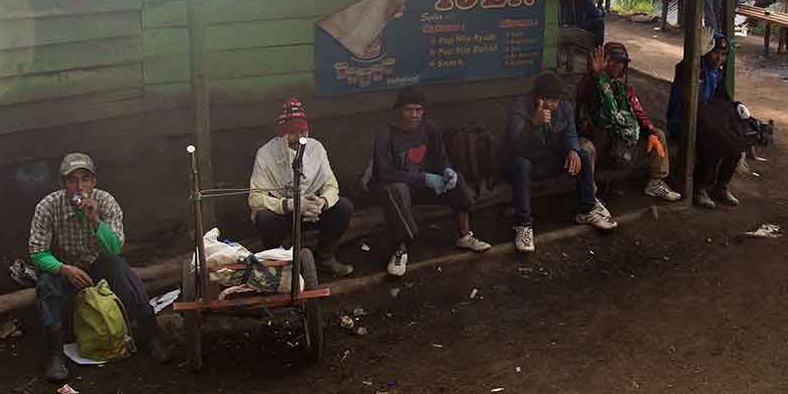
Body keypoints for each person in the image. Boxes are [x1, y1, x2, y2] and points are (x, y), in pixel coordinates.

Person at [28, 152, 170, 384]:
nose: (79, 187)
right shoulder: (48, 206)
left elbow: (115, 248)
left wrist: (95, 221)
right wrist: (65, 269)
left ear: (94, 181)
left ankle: (152, 335)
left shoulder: (105, 202)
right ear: (63, 184)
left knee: (120, 268)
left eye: (85, 179)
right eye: (72, 181)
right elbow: (37, 253)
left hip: (96, 262)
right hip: (64, 265)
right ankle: (55, 354)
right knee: (46, 284)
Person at [370, 87, 491, 277]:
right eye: (409, 109)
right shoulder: (385, 133)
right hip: (394, 188)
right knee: (398, 190)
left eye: (419, 110)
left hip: (423, 185)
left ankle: (464, 236)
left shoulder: (429, 128)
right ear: (399, 110)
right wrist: (424, 178)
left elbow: (440, 157)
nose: (414, 115)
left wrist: (446, 170)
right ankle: (400, 249)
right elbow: (384, 173)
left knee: (456, 179)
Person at [499, 72, 618, 253]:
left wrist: (572, 150)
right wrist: (533, 124)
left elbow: (570, 132)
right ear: (537, 97)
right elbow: (514, 146)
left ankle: (587, 209)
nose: (552, 105)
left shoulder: (564, 107)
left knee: (583, 155)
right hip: (519, 164)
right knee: (522, 164)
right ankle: (523, 225)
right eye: (547, 99)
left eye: (555, 100)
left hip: (546, 160)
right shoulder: (519, 107)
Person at [248, 97, 355, 277]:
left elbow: (331, 185)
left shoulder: (316, 148)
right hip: (284, 214)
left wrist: (322, 202)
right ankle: (278, 266)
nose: (299, 137)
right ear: (281, 134)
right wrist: (291, 204)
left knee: (343, 207)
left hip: (312, 212)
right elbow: (255, 198)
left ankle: (325, 258)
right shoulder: (266, 153)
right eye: (292, 132)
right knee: (264, 218)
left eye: (303, 131)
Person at [576, 42, 681, 202]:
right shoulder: (593, 84)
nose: (617, 65)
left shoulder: (625, 90)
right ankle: (591, 196)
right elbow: (585, 95)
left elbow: (639, 115)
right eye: (613, 61)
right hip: (599, 140)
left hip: (621, 143)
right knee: (587, 148)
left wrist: (650, 131)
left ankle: (655, 183)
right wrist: (594, 75)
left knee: (658, 135)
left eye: (621, 62)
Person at [665, 34, 741, 208]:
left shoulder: (716, 74)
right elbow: (684, 68)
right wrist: (696, 55)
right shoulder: (692, 68)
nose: (719, 58)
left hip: (703, 122)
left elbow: (725, 100)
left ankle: (721, 186)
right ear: (707, 51)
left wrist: (738, 108)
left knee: (736, 143)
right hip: (682, 124)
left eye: (723, 55)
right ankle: (699, 189)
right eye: (716, 53)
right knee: (714, 142)